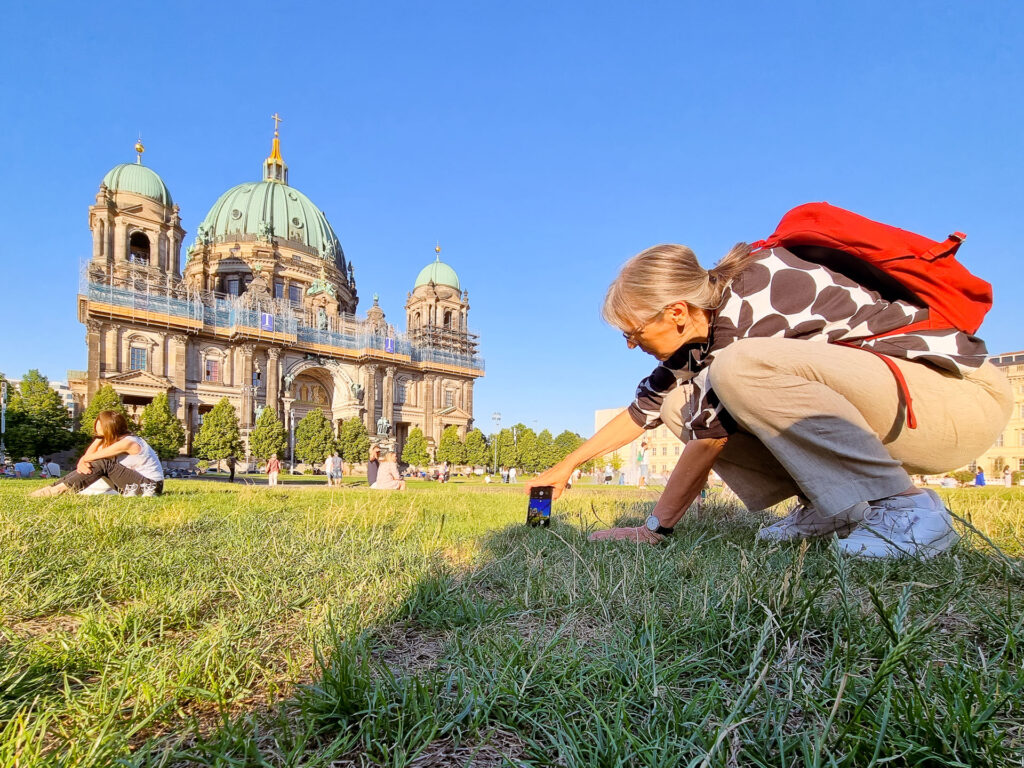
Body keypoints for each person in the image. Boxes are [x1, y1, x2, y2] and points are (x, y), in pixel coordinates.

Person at [527, 239, 1011, 559]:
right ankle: (834, 507)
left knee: (740, 370)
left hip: (956, 399)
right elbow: (645, 410)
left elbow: (710, 435)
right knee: (679, 402)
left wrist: (656, 528)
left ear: (676, 311)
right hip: (901, 405)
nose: (630, 346)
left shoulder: (755, 297)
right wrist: (566, 465)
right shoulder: (700, 334)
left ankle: (909, 510)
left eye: (633, 333)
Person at [30, 410, 164, 497]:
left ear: (109, 429)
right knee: (100, 463)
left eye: (100, 431)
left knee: (104, 463)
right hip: (136, 484)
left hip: (150, 487)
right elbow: (90, 459)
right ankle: (53, 488)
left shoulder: (129, 442)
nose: (97, 433)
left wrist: (84, 460)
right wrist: (99, 439)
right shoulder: (117, 440)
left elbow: (90, 458)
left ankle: (57, 490)